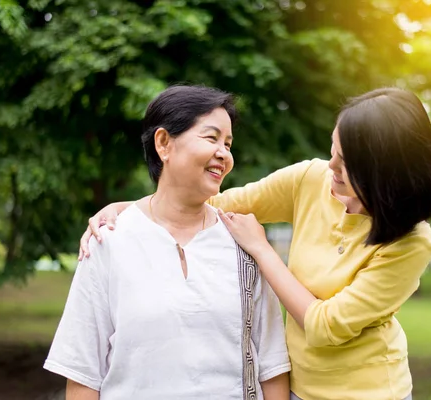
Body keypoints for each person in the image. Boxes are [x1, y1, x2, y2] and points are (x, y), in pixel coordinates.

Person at [80, 87, 431, 400]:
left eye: (345, 163)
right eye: (332, 150)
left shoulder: (412, 241)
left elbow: (325, 326)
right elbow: (219, 203)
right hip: (300, 389)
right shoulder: (310, 179)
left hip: (372, 391)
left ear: (383, 174)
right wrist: (132, 210)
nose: (330, 167)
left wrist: (262, 250)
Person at [45, 85, 291, 400]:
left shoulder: (245, 244)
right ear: (164, 143)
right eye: (211, 138)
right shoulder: (108, 242)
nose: (224, 153)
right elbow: (82, 372)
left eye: (228, 144)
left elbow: (272, 368)